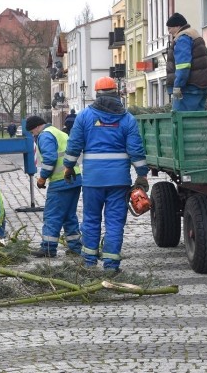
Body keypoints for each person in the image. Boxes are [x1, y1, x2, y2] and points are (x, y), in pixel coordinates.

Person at [63, 77, 149, 273]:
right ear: (116, 93)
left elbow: (74, 144)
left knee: (91, 219)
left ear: (97, 94)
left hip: (93, 180)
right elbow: (136, 150)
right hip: (119, 180)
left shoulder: (84, 116)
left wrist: (68, 166)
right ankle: (111, 265)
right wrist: (142, 175)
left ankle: (89, 262)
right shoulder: (127, 119)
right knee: (115, 222)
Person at [25, 115, 82, 258]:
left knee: (52, 215)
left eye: (33, 132)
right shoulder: (58, 132)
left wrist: (42, 178)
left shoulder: (45, 136)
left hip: (60, 181)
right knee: (69, 215)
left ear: (37, 127)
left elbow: (50, 159)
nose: (34, 135)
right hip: (75, 178)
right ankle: (75, 247)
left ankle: (48, 248)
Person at [165, 12, 207, 112]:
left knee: (181, 121)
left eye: (170, 28)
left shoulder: (183, 38)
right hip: (200, 86)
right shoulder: (194, 35)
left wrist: (177, 86)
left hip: (189, 88)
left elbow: (183, 66)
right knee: (196, 122)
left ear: (178, 26)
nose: (169, 32)